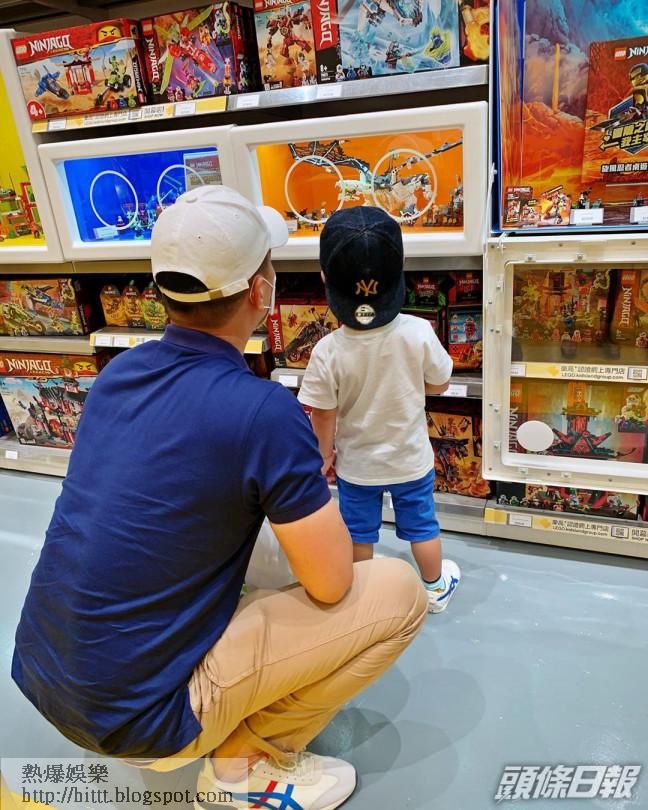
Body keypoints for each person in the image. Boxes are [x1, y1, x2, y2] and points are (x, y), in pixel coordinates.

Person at [11, 186, 428, 810]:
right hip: (144, 723)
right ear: (262, 292)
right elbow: (333, 583)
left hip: (48, 677)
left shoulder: (118, 375)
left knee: (266, 543)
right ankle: (244, 768)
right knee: (398, 592)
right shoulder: (263, 412)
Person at [298, 206, 461, 613]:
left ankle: (364, 599)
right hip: (410, 460)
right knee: (422, 527)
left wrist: (323, 455)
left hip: (358, 467)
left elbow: (323, 412)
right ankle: (434, 588)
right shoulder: (418, 332)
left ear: (325, 277)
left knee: (358, 533)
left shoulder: (327, 351)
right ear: (400, 270)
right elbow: (440, 383)